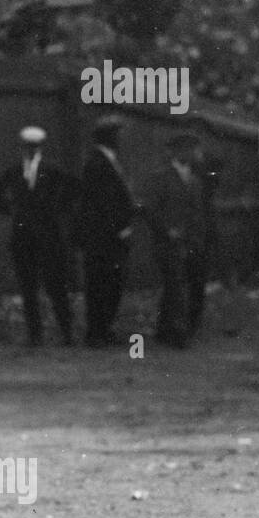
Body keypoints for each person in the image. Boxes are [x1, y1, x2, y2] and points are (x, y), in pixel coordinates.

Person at [0, 126, 79, 346]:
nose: (30, 150)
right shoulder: (15, 171)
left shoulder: (53, 171)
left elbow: (73, 190)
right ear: (22, 147)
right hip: (23, 237)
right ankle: (34, 335)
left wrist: (57, 211)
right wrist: (10, 210)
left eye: (34, 146)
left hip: (49, 237)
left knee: (56, 287)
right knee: (28, 288)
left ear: (40, 147)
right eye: (27, 146)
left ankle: (67, 333)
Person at [141, 133, 209, 349]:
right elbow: (151, 210)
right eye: (187, 149)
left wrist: (198, 237)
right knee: (176, 285)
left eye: (193, 149)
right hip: (168, 242)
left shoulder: (196, 181)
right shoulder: (160, 177)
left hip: (192, 242)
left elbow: (198, 213)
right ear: (176, 152)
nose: (192, 154)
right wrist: (166, 230)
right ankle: (179, 334)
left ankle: (165, 328)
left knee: (180, 286)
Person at [76, 118, 137, 348]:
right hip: (104, 237)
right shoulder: (97, 163)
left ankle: (103, 329)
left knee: (110, 284)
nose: (123, 139)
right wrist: (120, 229)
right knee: (101, 284)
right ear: (109, 136)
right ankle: (96, 333)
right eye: (119, 134)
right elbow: (102, 203)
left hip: (108, 236)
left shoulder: (107, 161)